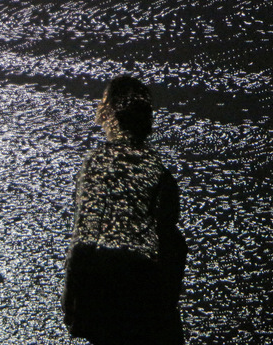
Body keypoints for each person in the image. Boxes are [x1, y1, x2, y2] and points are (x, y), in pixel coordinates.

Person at [62, 75, 186, 344]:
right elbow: (170, 238)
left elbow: (85, 236)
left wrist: (71, 294)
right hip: (144, 289)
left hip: (106, 290)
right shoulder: (158, 170)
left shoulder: (98, 164)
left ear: (110, 113)